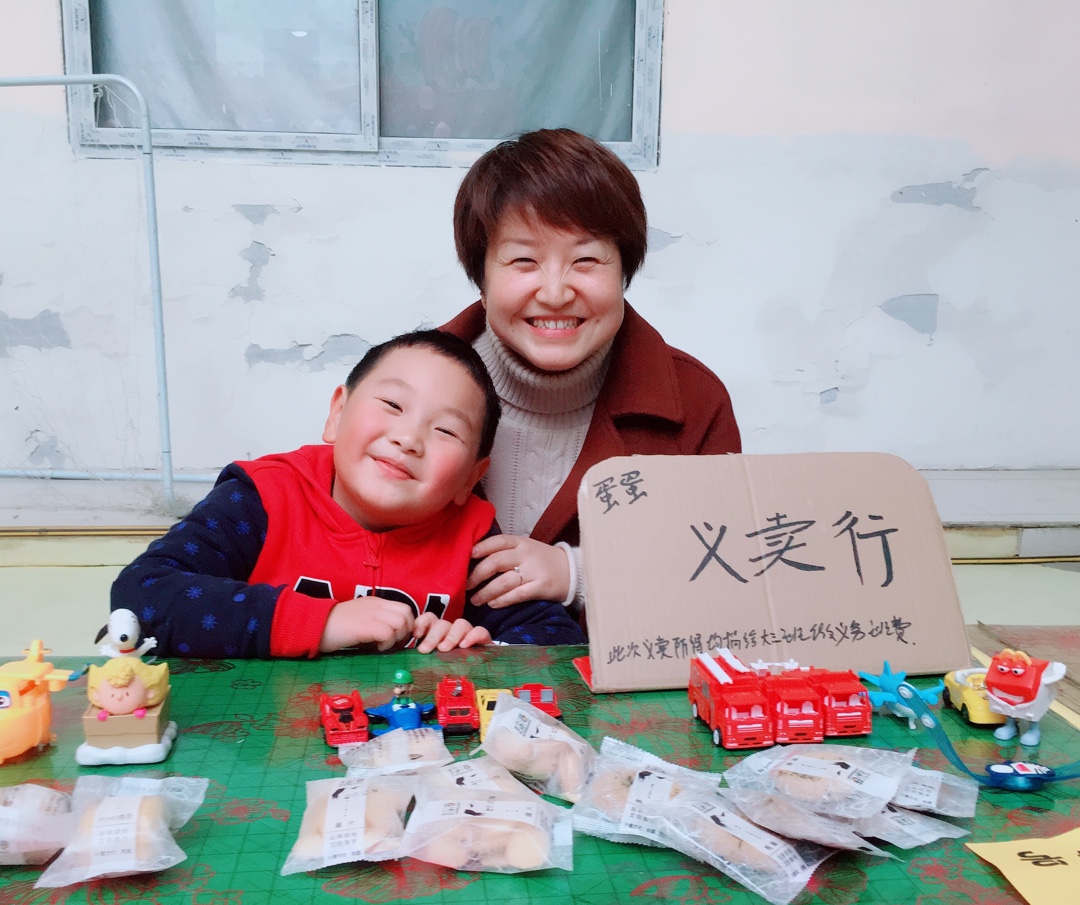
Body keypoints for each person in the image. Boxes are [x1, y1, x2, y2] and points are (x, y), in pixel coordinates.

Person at [111, 330, 585, 659]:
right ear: (337, 413)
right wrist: (323, 622)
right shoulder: (265, 497)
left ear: (471, 477)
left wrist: (480, 650)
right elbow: (142, 595)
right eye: (393, 404)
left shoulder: (471, 537)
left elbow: (556, 640)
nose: (408, 438)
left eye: (445, 430)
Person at [442, 128, 741, 614]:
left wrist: (580, 574)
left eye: (585, 260)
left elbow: (727, 573)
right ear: (482, 276)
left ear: (623, 271)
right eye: (524, 260)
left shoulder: (695, 401)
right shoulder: (403, 390)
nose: (555, 293)